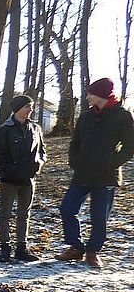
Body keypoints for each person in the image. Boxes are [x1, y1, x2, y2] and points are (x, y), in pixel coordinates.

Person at [56, 78, 134, 269]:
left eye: (90, 93)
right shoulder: (85, 116)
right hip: (82, 173)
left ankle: (93, 251)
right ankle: (76, 246)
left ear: (101, 95)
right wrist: (75, 161)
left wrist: (111, 163)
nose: (87, 97)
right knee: (67, 209)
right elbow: (75, 143)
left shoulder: (122, 116)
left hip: (106, 176)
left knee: (99, 217)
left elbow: (130, 146)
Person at [0, 95, 47, 263]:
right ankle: (4, 248)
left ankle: (21, 248)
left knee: (24, 214)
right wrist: (10, 170)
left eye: (31, 107)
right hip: (9, 179)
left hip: (29, 179)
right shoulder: (4, 129)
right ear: (17, 108)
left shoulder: (36, 128)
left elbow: (42, 151)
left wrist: (38, 165)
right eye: (27, 107)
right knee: (5, 214)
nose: (30, 110)